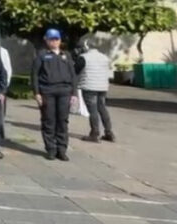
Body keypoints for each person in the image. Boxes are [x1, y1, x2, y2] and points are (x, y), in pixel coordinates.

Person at [31, 28, 78, 161]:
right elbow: (34, 75)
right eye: (52, 39)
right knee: (49, 120)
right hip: (47, 91)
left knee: (62, 121)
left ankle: (62, 149)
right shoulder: (42, 55)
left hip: (64, 91)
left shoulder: (66, 55)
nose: (54, 42)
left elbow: (73, 74)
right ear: (46, 40)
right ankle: (51, 149)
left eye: (56, 39)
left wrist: (74, 93)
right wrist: (37, 93)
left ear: (60, 40)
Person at [76, 43, 115, 143]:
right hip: (102, 87)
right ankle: (109, 133)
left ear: (85, 48)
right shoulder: (104, 57)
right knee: (102, 108)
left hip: (89, 86)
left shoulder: (84, 57)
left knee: (93, 110)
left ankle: (94, 134)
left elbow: (75, 70)